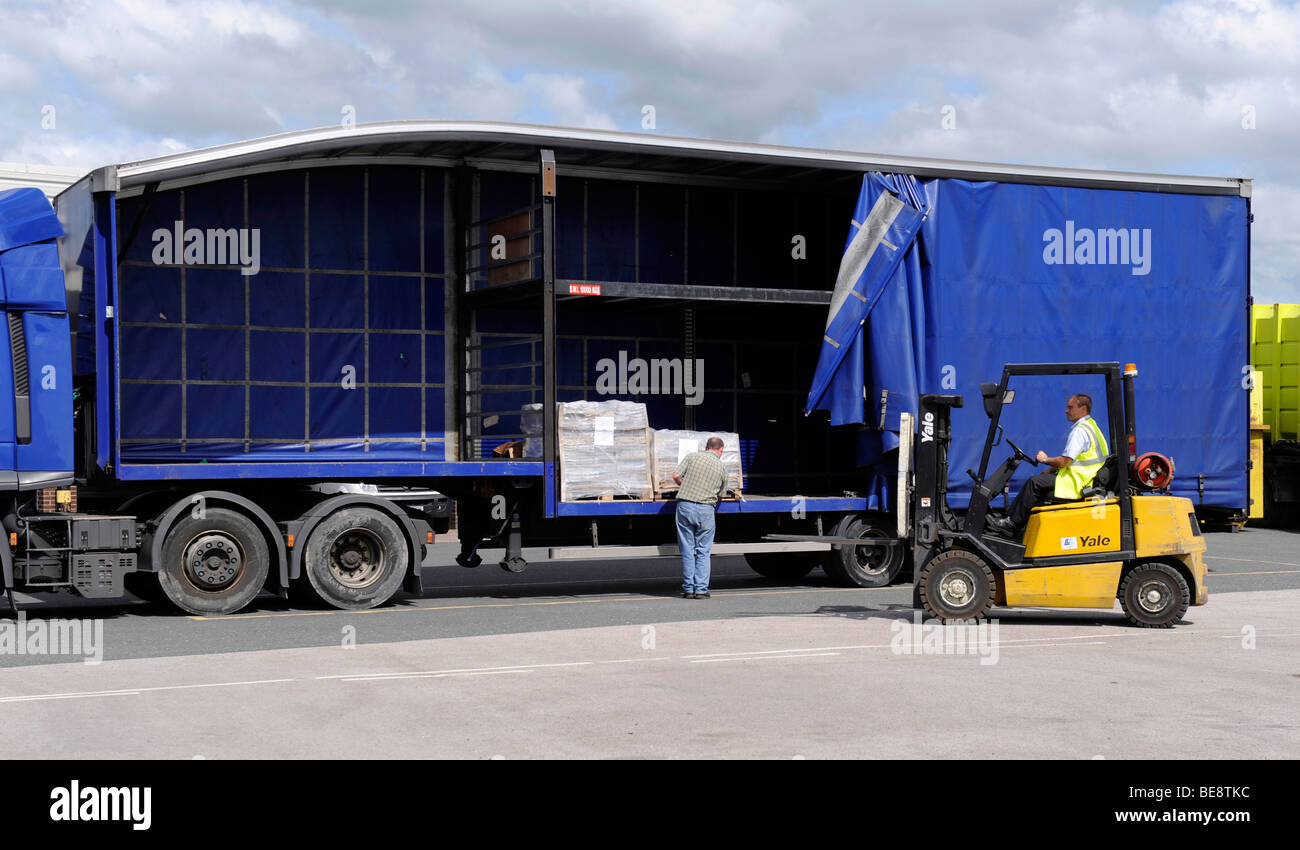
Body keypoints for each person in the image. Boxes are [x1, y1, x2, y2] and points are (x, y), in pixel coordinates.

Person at [987, 393, 1109, 537]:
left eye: (1070, 407)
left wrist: (1045, 459)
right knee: (1040, 479)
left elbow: (1064, 461)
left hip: (1078, 482)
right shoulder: (1091, 426)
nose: (1066, 411)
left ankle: (1011, 523)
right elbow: (1075, 461)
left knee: (1034, 483)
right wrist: (1048, 471)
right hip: (1085, 478)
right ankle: (1021, 526)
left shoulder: (1080, 431)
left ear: (1083, 408)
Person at [673, 436, 729, 599]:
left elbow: (676, 475)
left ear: (706, 447)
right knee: (703, 551)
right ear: (721, 450)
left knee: (687, 550)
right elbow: (721, 495)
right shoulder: (722, 467)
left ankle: (688, 589)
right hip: (705, 509)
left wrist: (686, 485)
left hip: (685, 506)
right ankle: (701, 590)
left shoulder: (692, 456)